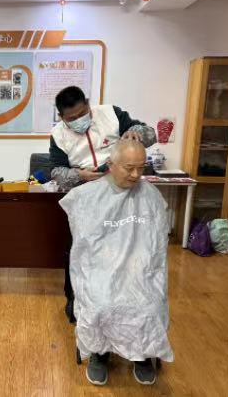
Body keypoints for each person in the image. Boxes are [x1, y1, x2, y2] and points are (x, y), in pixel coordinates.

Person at [59, 140, 173, 386]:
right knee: (101, 303)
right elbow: (85, 245)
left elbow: (156, 242)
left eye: (141, 168)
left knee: (150, 305)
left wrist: (140, 265)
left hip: (140, 268)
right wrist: (108, 262)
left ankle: (143, 354)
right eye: (129, 168)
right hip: (100, 268)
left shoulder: (150, 195)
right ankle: (99, 353)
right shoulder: (87, 195)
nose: (136, 175)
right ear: (111, 164)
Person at [49, 86, 157, 323]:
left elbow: (151, 134)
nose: (79, 121)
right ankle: (76, 299)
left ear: (88, 104)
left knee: (124, 249)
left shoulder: (111, 114)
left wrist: (136, 132)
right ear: (61, 117)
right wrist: (79, 175)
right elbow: (56, 172)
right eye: (71, 119)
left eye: (82, 114)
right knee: (80, 250)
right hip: (87, 197)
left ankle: (124, 301)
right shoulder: (58, 135)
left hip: (123, 195)